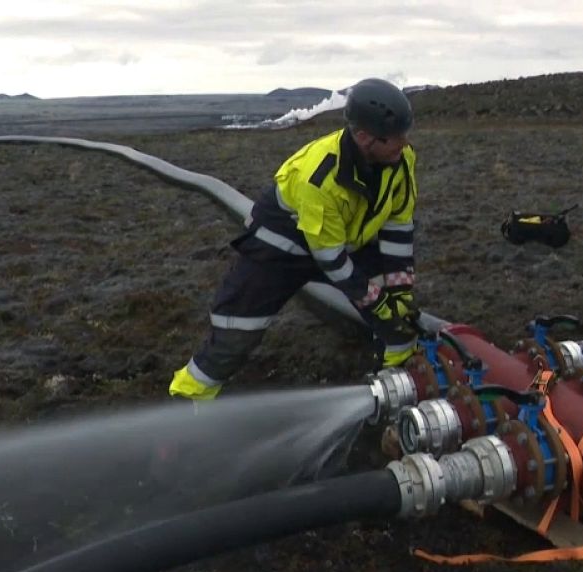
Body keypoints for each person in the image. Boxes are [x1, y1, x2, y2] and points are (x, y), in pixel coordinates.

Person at [169, 78, 420, 400]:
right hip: (283, 246)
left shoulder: (401, 160)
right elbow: (330, 258)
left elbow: (399, 227)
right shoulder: (319, 176)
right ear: (363, 137)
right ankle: (188, 398)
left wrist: (399, 291)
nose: (403, 144)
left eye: (404, 135)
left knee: (400, 326)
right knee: (237, 331)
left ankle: (393, 387)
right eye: (394, 138)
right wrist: (375, 300)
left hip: (344, 243)